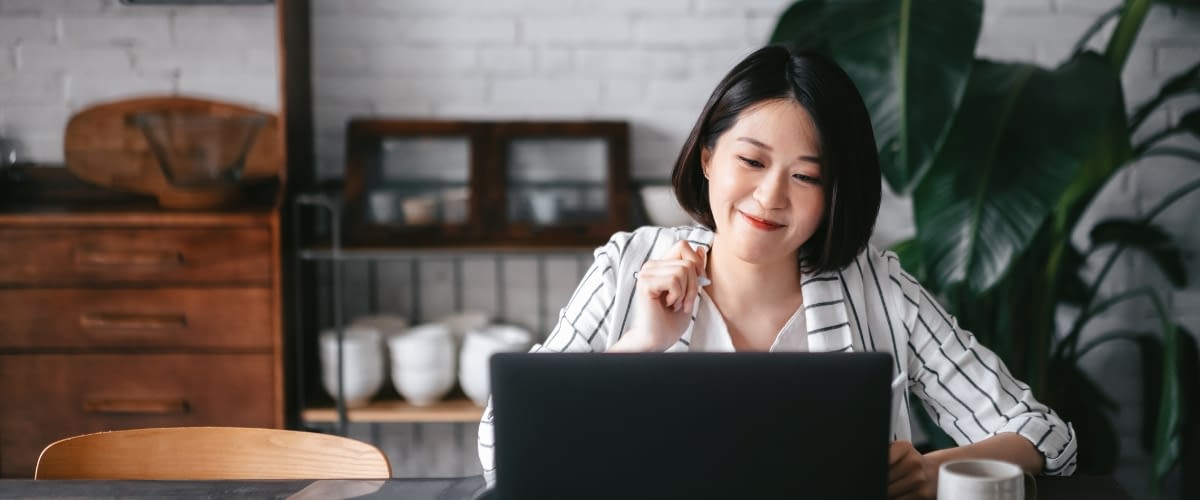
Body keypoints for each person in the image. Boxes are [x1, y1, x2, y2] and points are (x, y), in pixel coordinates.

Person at [476, 44, 1077, 500]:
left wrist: (929, 467)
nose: (770, 198)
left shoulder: (879, 289)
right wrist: (640, 345)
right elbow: (503, 447)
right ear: (708, 157)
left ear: (834, 192)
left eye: (806, 176)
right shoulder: (627, 265)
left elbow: (1044, 434)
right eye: (751, 160)